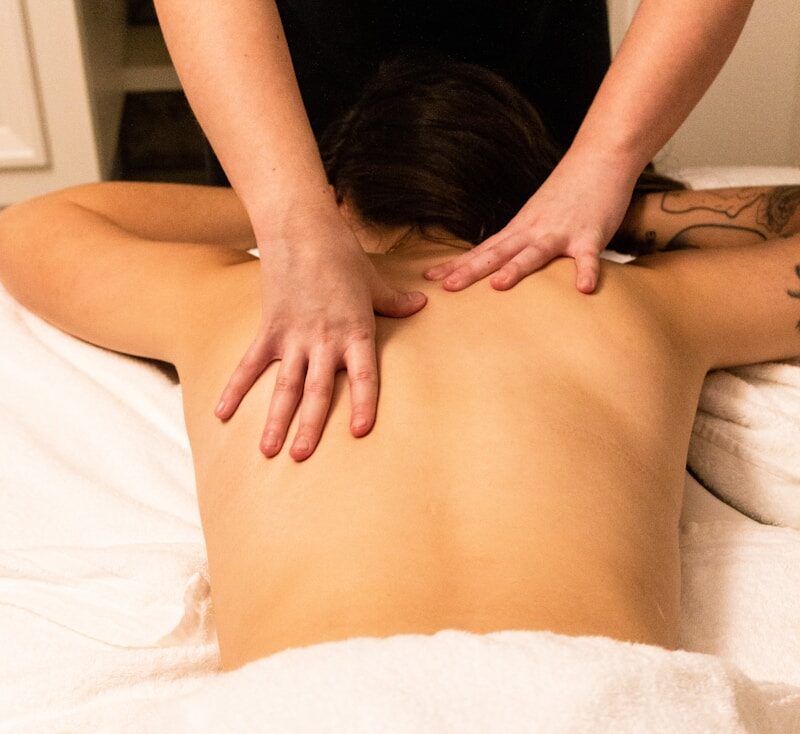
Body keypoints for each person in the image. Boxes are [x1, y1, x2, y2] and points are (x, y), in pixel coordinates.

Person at [1, 56, 797, 672]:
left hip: (313, 701)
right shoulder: (632, 304)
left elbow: (35, 226)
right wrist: (625, 202)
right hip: (601, 699)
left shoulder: (237, 304)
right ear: (532, 190)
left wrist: (309, 210)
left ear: (348, 194)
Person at [152, 0, 756, 462]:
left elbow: (57, 223)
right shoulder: (637, 309)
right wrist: (291, 220)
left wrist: (605, 167)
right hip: (286, 91)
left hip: (534, 91)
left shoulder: (218, 305)